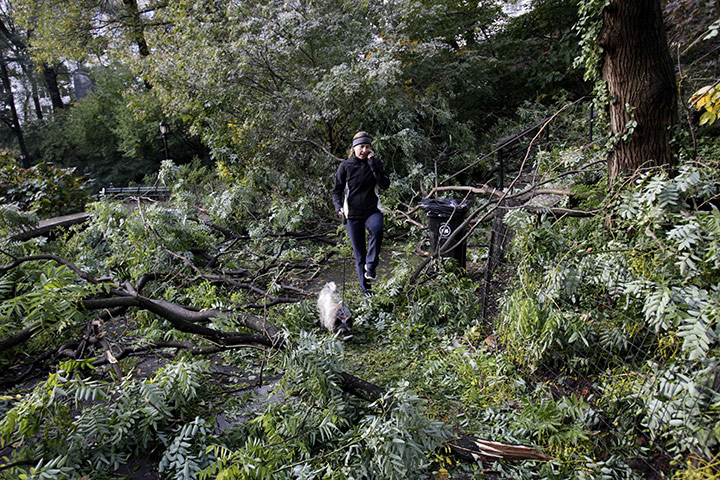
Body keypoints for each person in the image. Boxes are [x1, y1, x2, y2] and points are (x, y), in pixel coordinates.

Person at [332, 131, 390, 295]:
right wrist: (338, 208)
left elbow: (385, 184)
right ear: (354, 148)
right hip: (352, 215)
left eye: (367, 147)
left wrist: (373, 164)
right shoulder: (345, 166)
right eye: (361, 147)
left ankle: (370, 267)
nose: (364, 150)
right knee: (359, 255)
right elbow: (336, 191)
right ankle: (367, 293)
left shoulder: (375, 163)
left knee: (377, 230)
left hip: (373, 210)